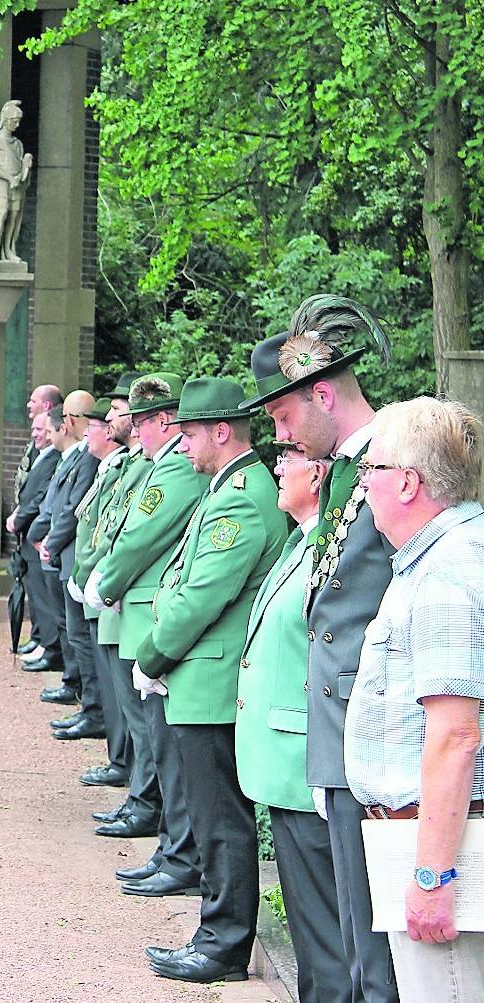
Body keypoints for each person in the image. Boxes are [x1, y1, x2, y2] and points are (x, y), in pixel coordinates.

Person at [246, 294, 399, 1003]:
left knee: (376, 955)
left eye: (283, 416)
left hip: (375, 743)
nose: (281, 435)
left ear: (324, 393)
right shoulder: (344, 472)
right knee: (355, 946)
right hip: (335, 744)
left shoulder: (395, 467)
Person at [133, 378, 288, 983]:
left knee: (220, 821)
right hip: (202, 678)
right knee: (210, 817)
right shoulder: (224, 487)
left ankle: (223, 944)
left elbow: (202, 594)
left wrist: (151, 656)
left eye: (192, 433)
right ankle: (216, 932)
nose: (184, 444)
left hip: (211, 682)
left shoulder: (243, 496)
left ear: (222, 432)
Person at [345, 397, 484, 1002]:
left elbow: (455, 735)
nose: (362, 485)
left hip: (436, 839)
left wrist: (431, 877)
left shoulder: (446, 573)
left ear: (406, 483)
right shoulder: (435, 561)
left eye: (369, 470)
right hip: (428, 833)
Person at [236, 442, 351, 1003]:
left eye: (289, 456)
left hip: (308, 759)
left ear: (321, 473)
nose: (277, 466)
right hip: (285, 759)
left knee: (326, 934)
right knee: (310, 929)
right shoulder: (300, 542)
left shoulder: (330, 553)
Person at [84, 373, 204, 897]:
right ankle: (168, 843)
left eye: (141, 421)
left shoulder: (176, 468)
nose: (135, 430)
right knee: (152, 738)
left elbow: (140, 536)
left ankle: (173, 845)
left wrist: (104, 580)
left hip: (148, 614)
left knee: (160, 744)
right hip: (138, 612)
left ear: (162, 420)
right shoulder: (161, 464)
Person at [56, 396, 126, 764]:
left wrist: (89, 574)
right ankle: (109, 741)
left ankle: (124, 765)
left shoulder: (123, 467)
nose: (89, 435)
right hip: (90, 575)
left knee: (121, 694)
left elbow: (118, 533)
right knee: (97, 664)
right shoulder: (109, 467)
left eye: (97, 427)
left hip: (108, 587)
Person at [29, 392, 99, 708]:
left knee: (79, 634)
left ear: (68, 422)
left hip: (71, 553)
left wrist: (51, 542)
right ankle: (77, 688)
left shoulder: (86, 459)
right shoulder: (75, 457)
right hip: (61, 551)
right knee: (70, 628)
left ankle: (83, 695)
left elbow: (72, 509)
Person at [11, 384, 64, 661]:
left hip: (39, 531)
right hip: (31, 530)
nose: (35, 436)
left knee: (45, 594)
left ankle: (50, 645)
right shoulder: (40, 451)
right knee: (35, 590)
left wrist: (22, 519)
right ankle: (41, 638)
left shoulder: (57, 456)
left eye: (40, 431)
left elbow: (43, 496)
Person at [0, 99, 34, 264]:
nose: (17, 125)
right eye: (14, 121)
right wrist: (9, 178)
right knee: (2, 212)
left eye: (18, 121)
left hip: (16, 184)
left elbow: (20, 165)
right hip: (1, 183)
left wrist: (25, 167)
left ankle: (8, 248)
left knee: (13, 215)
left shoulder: (17, 144)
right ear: (5, 120)